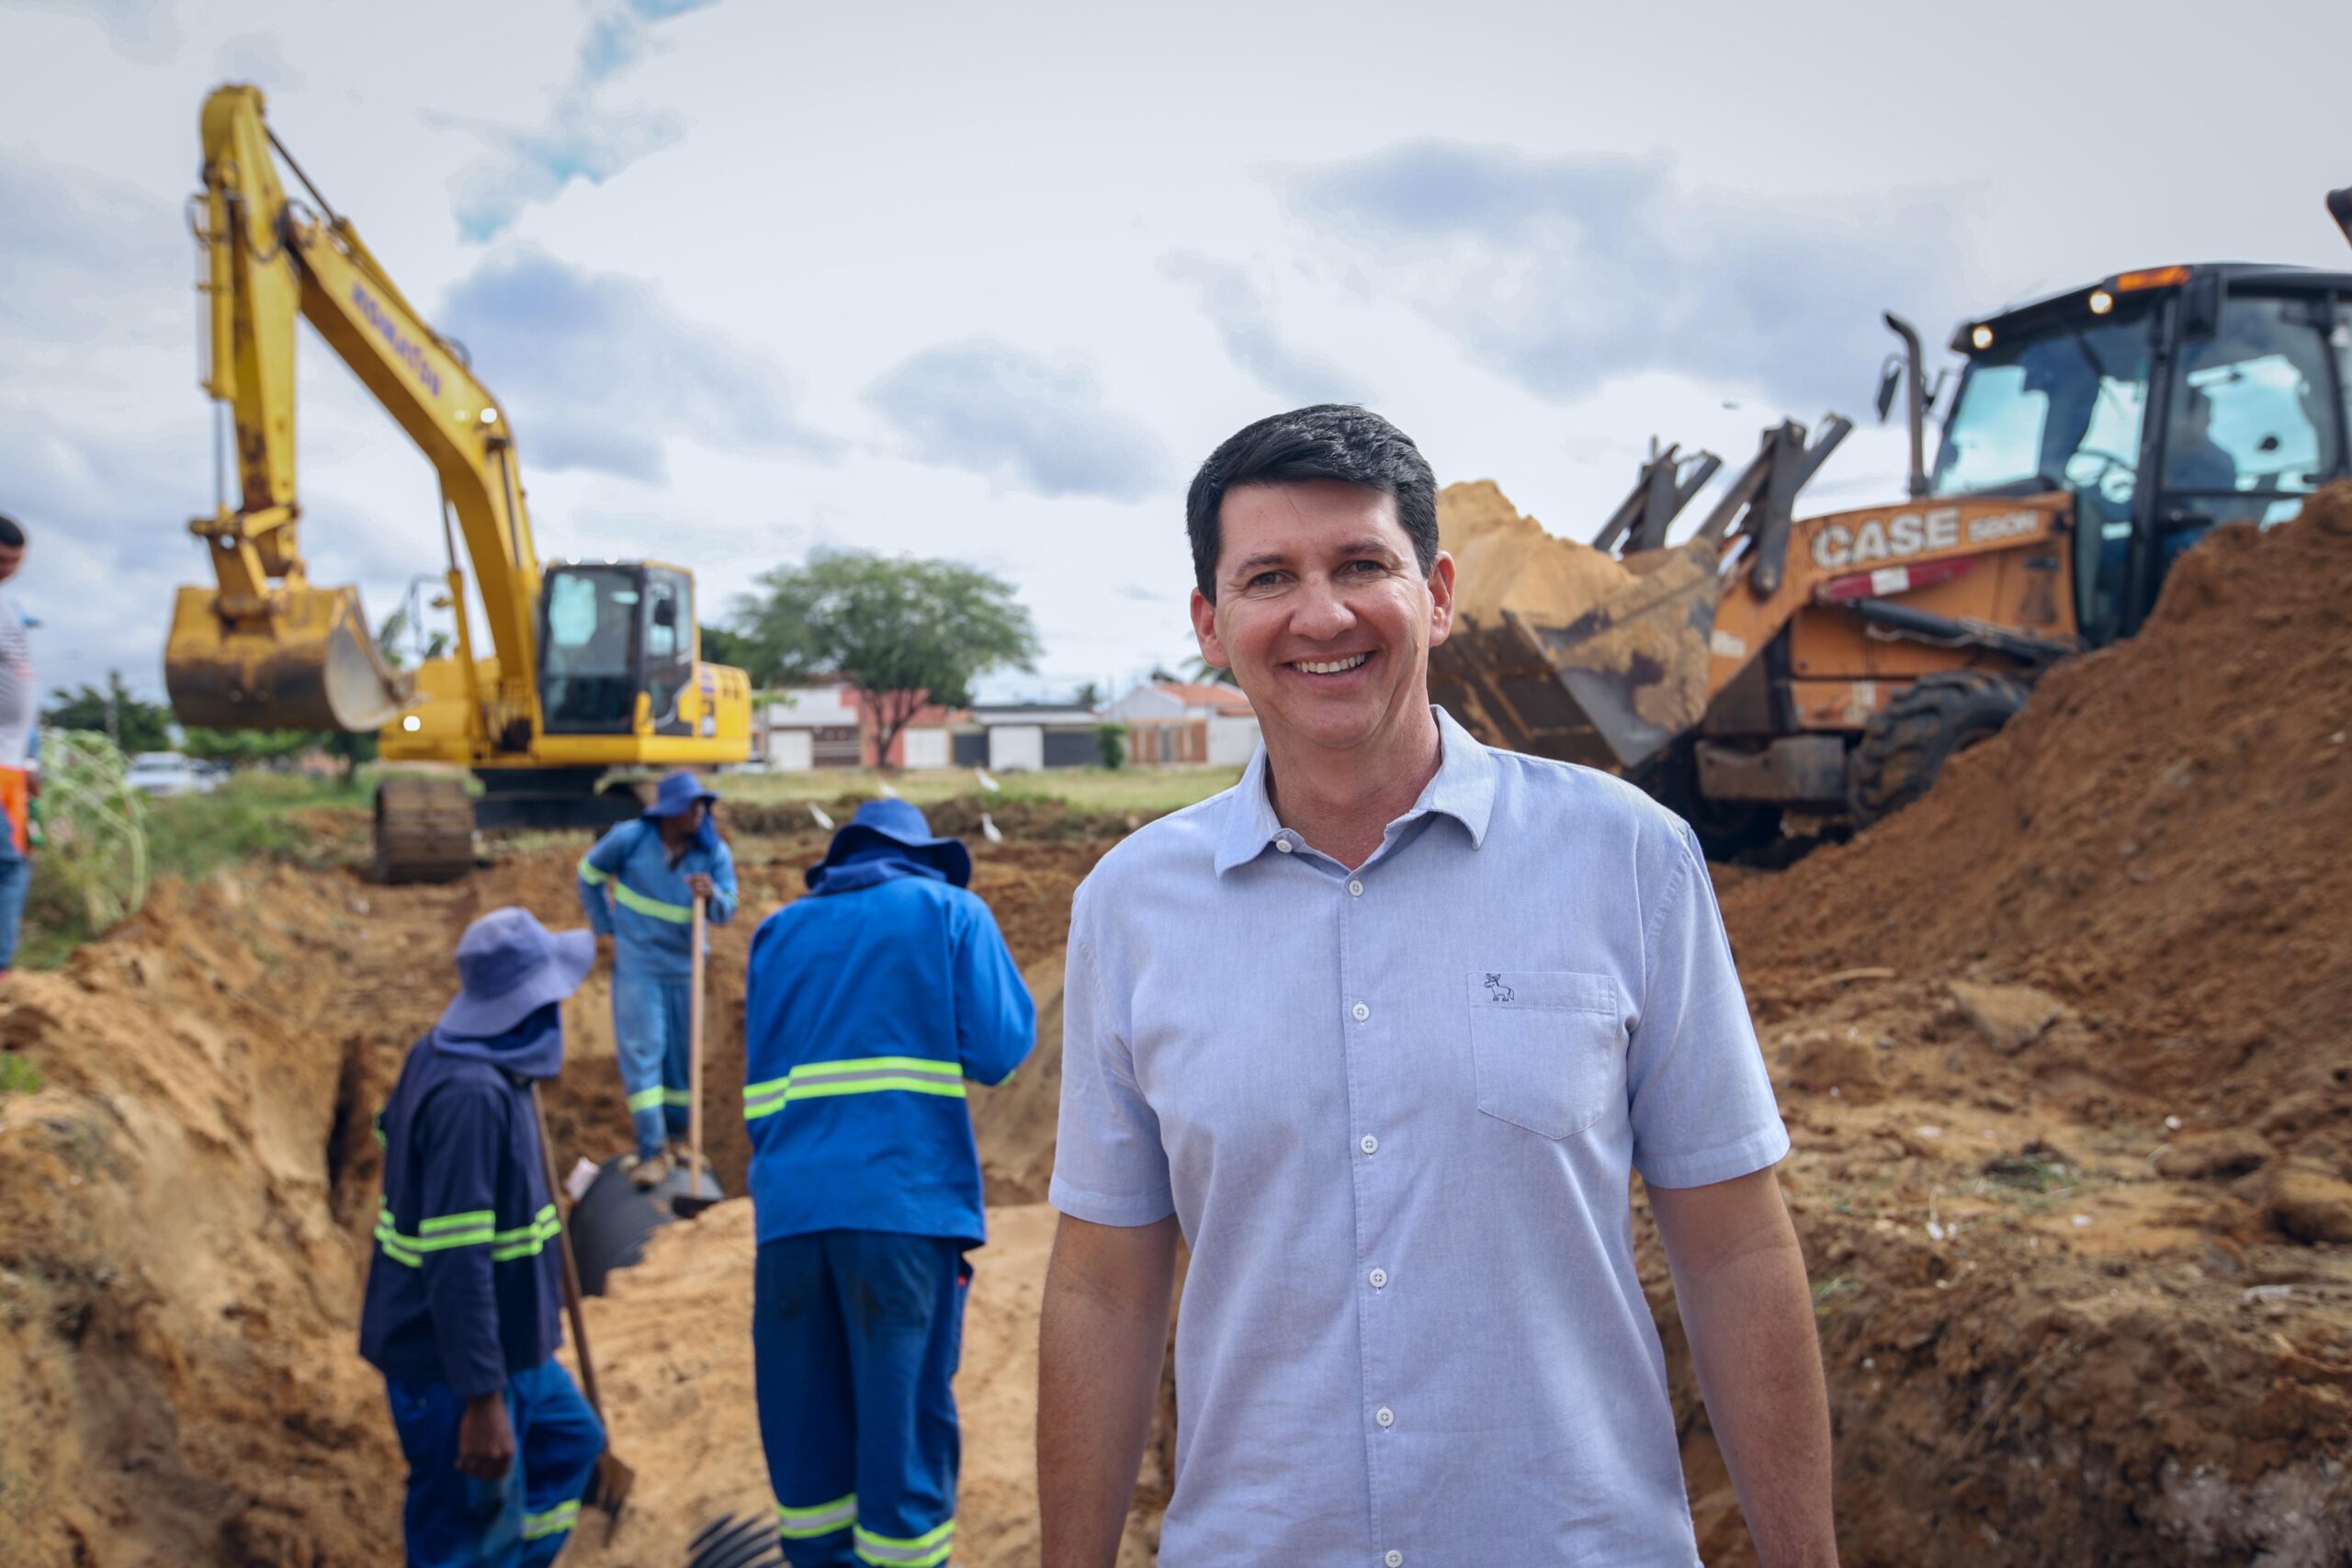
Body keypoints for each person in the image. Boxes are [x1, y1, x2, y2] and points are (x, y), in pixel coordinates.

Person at [1037, 405, 1838, 1567]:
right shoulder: (1131, 906)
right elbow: (1105, 1290)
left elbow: (1734, 1248)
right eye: (1269, 577)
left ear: (1439, 593)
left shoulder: (1629, 860)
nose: (1321, 614)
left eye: (1363, 565)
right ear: (1212, 625)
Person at [741, 799, 1035, 1568]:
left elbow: (760, 1090)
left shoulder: (777, 931)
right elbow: (1001, 1048)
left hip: (789, 1218)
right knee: (901, 1434)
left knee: (808, 1444)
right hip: (902, 1206)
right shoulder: (948, 910)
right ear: (922, 857)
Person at [359, 907, 605, 1566]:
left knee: (571, 1441)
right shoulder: (471, 1094)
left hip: (511, 1346)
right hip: (455, 1366)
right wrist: (482, 1398)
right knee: (465, 1529)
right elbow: (456, 1260)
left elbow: (395, 1133)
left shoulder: (477, 1062)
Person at [576, 771, 738, 1187]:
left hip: (685, 969)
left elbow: (727, 910)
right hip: (639, 968)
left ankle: (680, 1141)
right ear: (668, 812)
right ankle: (651, 1150)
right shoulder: (630, 839)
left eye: (703, 805)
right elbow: (589, 876)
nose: (699, 813)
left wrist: (712, 896)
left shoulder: (712, 853)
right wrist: (604, 928)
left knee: (679, 1061)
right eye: (691, 805)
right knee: (644, 1053)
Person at [0, 514, 35, 981]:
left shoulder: (11, 607)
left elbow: (24, 691)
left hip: (12, 763)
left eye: (15, 563)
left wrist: (31, 757)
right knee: (9, 865)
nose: (9, 569)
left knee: (16, 859)